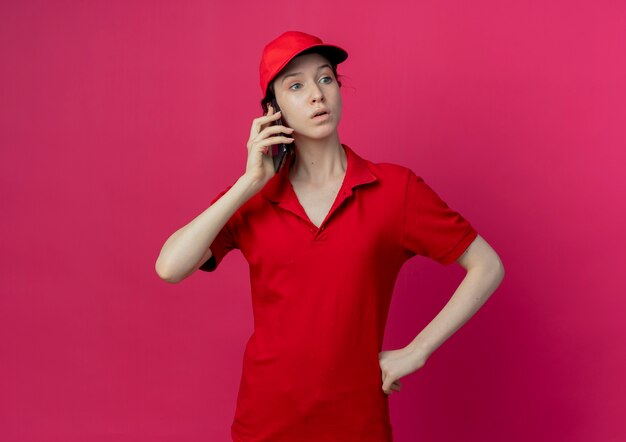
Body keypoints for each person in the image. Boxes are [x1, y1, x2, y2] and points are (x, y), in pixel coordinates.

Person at [155, 30, 505, 442]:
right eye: (296, 86)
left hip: (357, 426)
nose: (317, 95)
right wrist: (249, 182)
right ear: (273, 110)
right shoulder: (252, 199)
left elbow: (487, 266)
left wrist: (416, 351)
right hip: (265, 425)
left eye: (325, 79)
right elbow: (169, 267)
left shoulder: (394, 190)